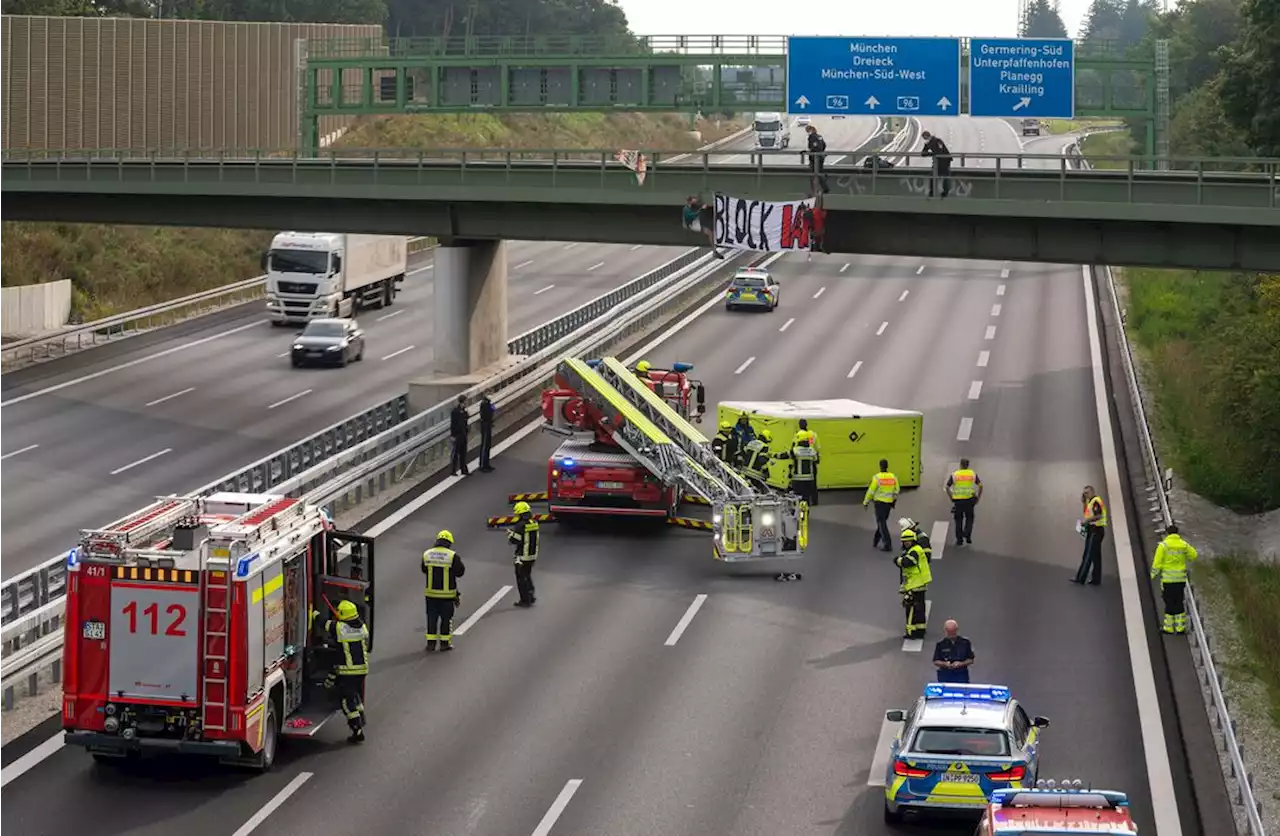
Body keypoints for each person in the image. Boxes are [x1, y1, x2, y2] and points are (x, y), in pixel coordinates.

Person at [313, 599, 369, 743]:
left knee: (346, 702)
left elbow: (325, 623)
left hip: (348, 672)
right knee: (354, 694)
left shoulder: (340, 628)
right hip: (362, 670)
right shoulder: (362, 627)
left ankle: (357, 730)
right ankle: (361, 715)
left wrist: (314, 613)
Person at [422, 530, 466, 652]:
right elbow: (460, 572)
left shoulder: (427, 554)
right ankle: (444, 644)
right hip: (447, 596)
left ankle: (430, 644)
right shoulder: (452, 556)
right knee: (446, 620)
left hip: (431, 594)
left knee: (431, 618)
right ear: (449, 543)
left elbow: (423, 569)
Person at [1151, 524, 1198, 634]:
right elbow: (1194, 555)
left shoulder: (1163, 546)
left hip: (1168, 580)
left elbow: (1157, 563)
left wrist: (1153, 575)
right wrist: (1186, 558)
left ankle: (1169, 628)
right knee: (1179, 602)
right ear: (1177, 533)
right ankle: (1180, 628)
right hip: (1180, 580)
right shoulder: (1183, 545)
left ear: (1167, 533)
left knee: (1169, 603)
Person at [896, 528, 932, 639]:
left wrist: (898, 560)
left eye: (908, 541)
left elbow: (909, 562)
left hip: (915, 584)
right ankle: (920, 630)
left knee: (911, 608)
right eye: (905, 541)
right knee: (920, 608)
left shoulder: (914, 551)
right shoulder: (916, 549)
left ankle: (911, 632)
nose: (906, 543)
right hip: (919, 584)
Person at [1072, 485, 1108, 586]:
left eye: (1087, 493)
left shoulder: (1096, 501)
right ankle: (1096, 579)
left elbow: (1098, 515)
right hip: (1094, 530)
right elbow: (1087, 514)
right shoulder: (1090, 501)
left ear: (1092, 492)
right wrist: (1084, 502)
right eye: (1084, 493)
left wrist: (1087, 521)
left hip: (1095, 530)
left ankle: (1080, 578)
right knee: (1096, 556)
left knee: (1088, 555)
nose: (1086, 495)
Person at [863, 459, 900, 551]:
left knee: (882, 523)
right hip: (888, 504)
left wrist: (866, 502)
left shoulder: (877, 478)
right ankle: (876, 540)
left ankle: (887, 544)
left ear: (880, 466)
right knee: (881, 522)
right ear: (887, 466)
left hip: (879, 504)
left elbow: (871, 491)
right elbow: (897, 490)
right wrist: (893, 501)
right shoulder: (893, 477)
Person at [508, 501, 540, 607]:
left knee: (521, 578)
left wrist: (510, 535)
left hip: (522, 556)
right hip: (532, 555)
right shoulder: (534, 523)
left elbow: (517, 540)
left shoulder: (520, 525)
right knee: (527, 575)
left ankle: (525, 600)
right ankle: (531, 595)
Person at [945, 459, 983, 546]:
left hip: (958, 501)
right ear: (968, 465)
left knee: (958, 520)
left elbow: (947, 487)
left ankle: (959, 540)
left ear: (961, 465)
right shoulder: (972, 474)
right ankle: (968, 535)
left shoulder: (955, 474)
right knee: (969, 518)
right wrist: (978, 498)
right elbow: (981, 486)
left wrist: (951, 497)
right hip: (969, 500)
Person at [920, 130, 952, 199]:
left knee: (945, 176)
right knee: (932, 176)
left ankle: (945, 192)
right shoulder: (928, 143)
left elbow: (940, 151)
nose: (925, 140)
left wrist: (931, 153)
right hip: (937, 161)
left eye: (925, 138)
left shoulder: (938, 141)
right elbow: (923, 154)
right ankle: (932, 192)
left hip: (945, 160)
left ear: (928, 136)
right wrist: (928, 150)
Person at [788, 437, 819, 506]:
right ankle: (805, 513)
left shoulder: (795, 450)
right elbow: (817, 460)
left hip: (798, 479)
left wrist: (773, 455)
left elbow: (785, 455)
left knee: (797, 497)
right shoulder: (812, 451)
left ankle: (797, 513)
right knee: (806, 497)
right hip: (809, 479)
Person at [793, 419, 820, 497]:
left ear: (799, 425)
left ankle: (801, 500)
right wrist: (817, 459)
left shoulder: (798, 435)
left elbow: (794, 447)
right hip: (812, 459)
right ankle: (814, 500)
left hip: (800, 460)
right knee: (813, 482)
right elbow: (817, 448)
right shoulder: (812, 434)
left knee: (800, 484)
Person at [804, 124, 829, 193]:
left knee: (814, 174)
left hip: (815, 158)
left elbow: (813, 148)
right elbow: (824, 145)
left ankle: (815, 189)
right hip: (821, 156)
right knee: (820, 172)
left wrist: (809, 152)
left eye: (807, 131)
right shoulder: (819, 136)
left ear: (810, 130)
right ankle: (824, 186)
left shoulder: (812, 137)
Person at [449, 394, 469, 476]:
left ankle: (464, 469)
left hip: (463, 433)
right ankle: (453, 470)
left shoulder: (464, 411)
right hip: (457, 434)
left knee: (463, 452)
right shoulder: (455, 411)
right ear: (463, 401)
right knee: (456, 453)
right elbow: (453, 424)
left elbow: (466, 420)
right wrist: (453, 435)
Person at [478, 393, 496, 472]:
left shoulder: (489, 403)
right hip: (485, 425)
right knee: (485, 445)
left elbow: (492, 410)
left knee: (488, 445)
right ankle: (482, 465)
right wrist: (491, 409)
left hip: (488, 425)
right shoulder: (484, 404)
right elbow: (485, 414)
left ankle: (487, 463)